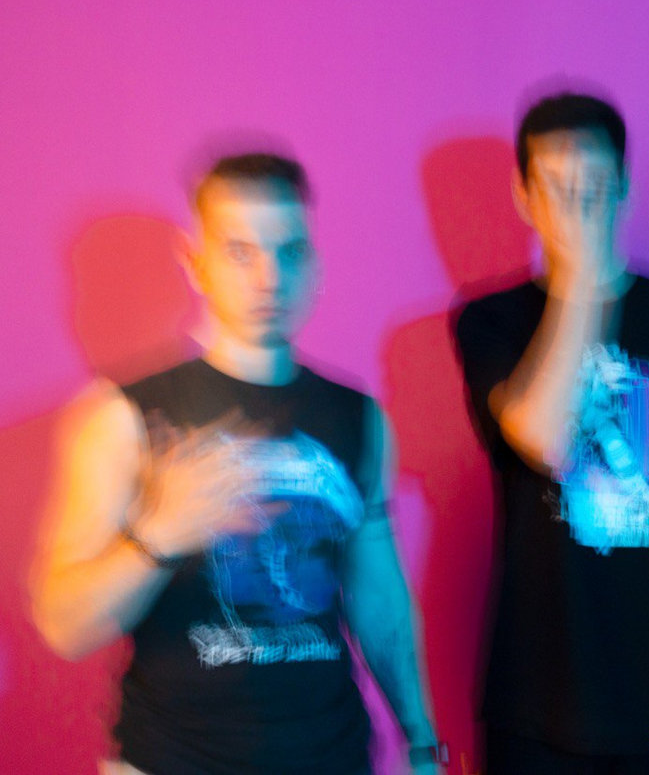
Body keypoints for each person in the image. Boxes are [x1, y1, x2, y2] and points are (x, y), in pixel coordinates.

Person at [30, 153, 444, 774]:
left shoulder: (358, 417)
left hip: (332, 757)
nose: (269, 278)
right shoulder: (122, 417)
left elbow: (380, 597)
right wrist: (158, 535)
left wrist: (422, 740)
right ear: (195, 262)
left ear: (314, 263)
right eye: (240, 252)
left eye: (289, 252)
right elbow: (64, 626)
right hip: (171, 761)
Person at [454, 92, 649, 774]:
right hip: (538, 692)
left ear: (625, 189)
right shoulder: (489, 321)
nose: (577, 207)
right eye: (557, 188)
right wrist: (581, 285)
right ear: (524, 197)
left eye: (593, 186)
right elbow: (544, 437)